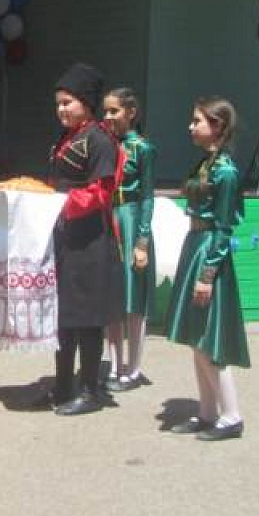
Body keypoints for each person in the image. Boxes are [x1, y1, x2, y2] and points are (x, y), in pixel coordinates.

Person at [165, 97, 249, 441]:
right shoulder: (207, 164)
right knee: (196, 339)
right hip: (195, 246)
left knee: (208, 339)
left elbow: (225, 227)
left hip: (208, 252)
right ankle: (206, 412)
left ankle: (231, 416)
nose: (191, 126)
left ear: (217, 127)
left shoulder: (226, 172)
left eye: (197, 120)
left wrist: (207, 275)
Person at [45, 63, 125, 416]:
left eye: (68, 102)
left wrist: (59, 205)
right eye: (59, 103)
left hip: (91, 240)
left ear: (87, 104)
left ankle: (91, 391)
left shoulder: (99, 139)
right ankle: (63, 386)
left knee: (87, 317)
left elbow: (101, 191)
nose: (62, 109)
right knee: (63, 314)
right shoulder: (67, 138)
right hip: (66, 237)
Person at [100, 87, 156, 392]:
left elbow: (147, 196)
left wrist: (142, 242)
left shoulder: (142, 148)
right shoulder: (105, 145)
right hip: (111, 217)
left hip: (132, 219)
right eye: (105, 111)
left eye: (114, 111)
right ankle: (113, 363)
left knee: (134, 299)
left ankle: (133, 368)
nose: (108, 117)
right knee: (112, 297)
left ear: (131, 113)